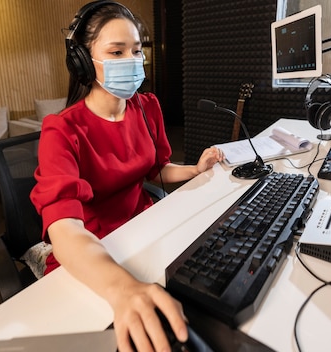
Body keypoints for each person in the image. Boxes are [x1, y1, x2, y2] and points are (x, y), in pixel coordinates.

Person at [29, 1, 224, 351]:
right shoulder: (61, 130)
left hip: (146, 230)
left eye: (135, 51)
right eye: (116, 52)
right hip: (91, 251)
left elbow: (157, 169)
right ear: (84, 61)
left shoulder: (146, 108)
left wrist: (195, 169)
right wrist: (123, 288)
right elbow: (64, 229)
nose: (132, 61)